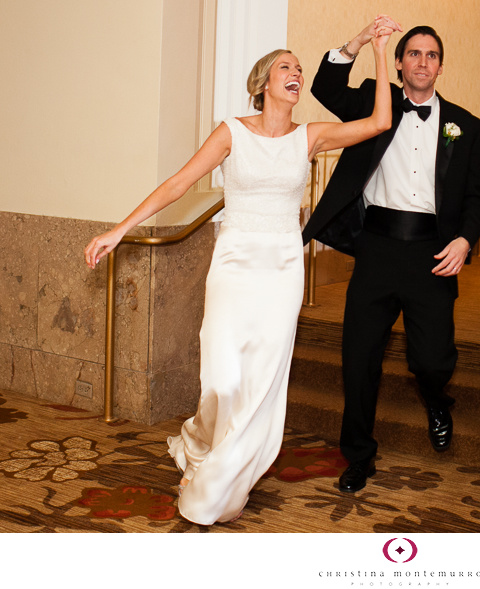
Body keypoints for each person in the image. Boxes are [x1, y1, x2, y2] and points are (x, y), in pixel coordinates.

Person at [83, 20, 395, 525]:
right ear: (263, 82)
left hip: (283, 267)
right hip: (233, 262)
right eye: (286, 67)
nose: (296, 74)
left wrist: (375, 48)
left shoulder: (310, 136)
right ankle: (199, 444)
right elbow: (178, 183)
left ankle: (223, 482)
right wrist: (120, 230)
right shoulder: (231, 132)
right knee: (222, 379)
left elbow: (380, 121)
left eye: (299, 68)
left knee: (262, 382)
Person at [302, 20, 480, 493]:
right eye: (413, 54)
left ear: (440, 67)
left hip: (434, 253)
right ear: (401, 63)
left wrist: (465, 241)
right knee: (358, 356)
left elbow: (475, 198)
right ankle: (358, 456)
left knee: (432, 359)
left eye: (431, 55)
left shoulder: (466, 126)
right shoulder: (376, 99)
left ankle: (436, 399)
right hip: (377, 248)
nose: (422, 62)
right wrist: (359, 41)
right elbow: (327, 87)